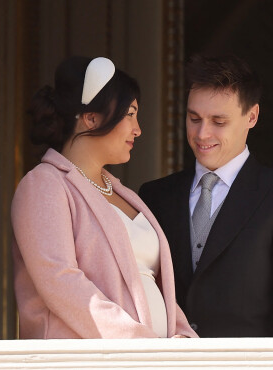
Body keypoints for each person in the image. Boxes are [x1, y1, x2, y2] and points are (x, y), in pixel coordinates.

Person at [12, 56, 197, 339]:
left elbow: (153, 284)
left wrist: (182, 339)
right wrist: (140, 344)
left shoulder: (124, 193)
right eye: (130, 114)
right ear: (91, 117)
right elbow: (60, 282)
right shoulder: (44, 184)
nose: (138, 129)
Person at [139, 55, 273, 337]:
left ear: (252, 116)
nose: (203, 134)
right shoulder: (155, 196)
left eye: (219, 121)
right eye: (194, 119)